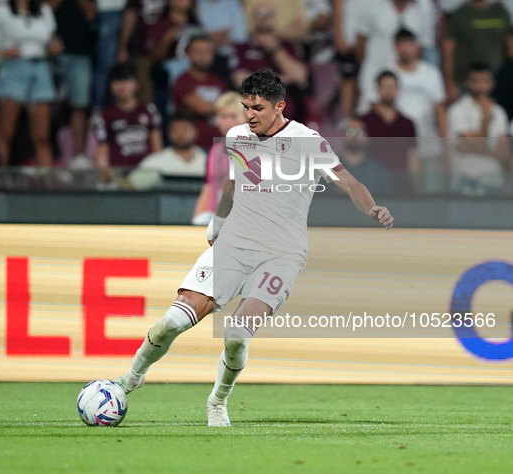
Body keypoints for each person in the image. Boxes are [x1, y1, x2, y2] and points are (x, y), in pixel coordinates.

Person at [112, 69, 394, 427]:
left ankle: (217, 402)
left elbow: (350, 183)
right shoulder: (236, 136)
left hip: (282, 254)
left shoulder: (307, 141)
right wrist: (218, 223)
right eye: (245, 107)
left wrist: (371, 208)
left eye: (257, 108)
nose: (249, 115)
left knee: (236, 334)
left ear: (280, 106)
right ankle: (128, 380)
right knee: (172, 321)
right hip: (234, 244)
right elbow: (232, 184)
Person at [0, 0, 62, 168]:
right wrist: (2, 53)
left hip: (40, 68)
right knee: (6, 132)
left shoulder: (43, 10)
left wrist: (55, 48)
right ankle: (1, 184)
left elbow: (52, 41)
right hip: (13, 67)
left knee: (42, 136)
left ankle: (48, 188)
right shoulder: (1, 11)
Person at [229, 2, 308, 120]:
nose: (264, 18)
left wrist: (274, 49)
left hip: (285, 105)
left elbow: (300, 76)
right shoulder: (241, 47)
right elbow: (240, 80)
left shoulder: (288, 46)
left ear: (275, 18)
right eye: (260, 14)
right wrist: (283, 78)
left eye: (269, 14)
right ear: (253, 19)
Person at [391, 28, 447, 193]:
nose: (405, 49)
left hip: (429, 147)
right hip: (400, 150)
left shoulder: (431, 73)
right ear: (395, 47)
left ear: (417, 47)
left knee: (434, 195)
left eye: (409, 44)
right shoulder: (388, 73)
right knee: (404, 194)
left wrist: (446, 149)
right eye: (401, 44)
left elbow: (440, 112)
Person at [355, 0, 432, 114]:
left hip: (404, 80)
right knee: (367, 114)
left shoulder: (419, 15)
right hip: (373, 72)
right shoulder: (374, 10)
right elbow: (360, 42)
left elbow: (421, 48)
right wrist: (366, 63)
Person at [95, 61, 162, 186]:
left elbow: (156, 141)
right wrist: (105, 174)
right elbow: (103, 148)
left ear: (136, 84)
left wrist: (158, 169)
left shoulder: (148, 110)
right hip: (119, 174)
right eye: (117, 81)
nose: (122, 86)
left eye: (126, 81)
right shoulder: (105, 116)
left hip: (146, 172)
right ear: (110, 86)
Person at [448, 61, 510, 195]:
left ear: (492, 83)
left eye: (485, 81)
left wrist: (475, 148)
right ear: (468, 82)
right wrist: (485, 119)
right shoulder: (457, 110)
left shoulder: (499, 112)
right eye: (476, 81)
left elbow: (504, 152)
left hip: (493, 181)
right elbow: (468, 144)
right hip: (465, 179)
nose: (481, 86)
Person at [49, 0, 97, 168]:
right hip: (50, 53)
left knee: (80, 105)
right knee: (44, 106)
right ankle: (50, 157)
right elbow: (43, 10)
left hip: (80, 53)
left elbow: (91, 12)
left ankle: (78, 157)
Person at [360, 70, 420, 195]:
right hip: (372, 184)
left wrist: (416, 185)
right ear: (378, 89)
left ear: (398, 90)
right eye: (385, 87)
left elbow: (412, 156)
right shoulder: (364, 122)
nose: (389, 91)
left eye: (392, 87)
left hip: (401, 184)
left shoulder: (407, 124)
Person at [442, 0, 513, 103]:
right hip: (466, 82)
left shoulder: (501, 13)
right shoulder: (459, 14)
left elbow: (510, 47)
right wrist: (449, 83)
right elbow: (448, 50)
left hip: (497, 82)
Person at [192, 91, 246, 225]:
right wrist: (194, 223)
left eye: (234, 116)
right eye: (223, 116)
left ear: (246, 118)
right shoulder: (215, 150)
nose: (228, 121)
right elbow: (208, 187)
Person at [172, 35, 229, 150]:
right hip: (195, 146)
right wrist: (227, 106)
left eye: (207, 51)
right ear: (188, 54)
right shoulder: (183, 81)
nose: (203, 55)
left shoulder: (219, 81)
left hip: (221, 143)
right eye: (198, 51)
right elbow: (201, 108)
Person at [129, 112, 206, 188]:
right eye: (175, 130)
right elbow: (130, 186)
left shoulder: (209, 161)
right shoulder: (155, 162)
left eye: (185, 129)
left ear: (196, 132)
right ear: (169, 133)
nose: (180, 134)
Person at [334, 117, 391, 195]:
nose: (354, 136)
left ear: (367, 137)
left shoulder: (378, 171)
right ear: (342, 137)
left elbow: (388, 202)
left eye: (359, 132)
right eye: (349, 132)